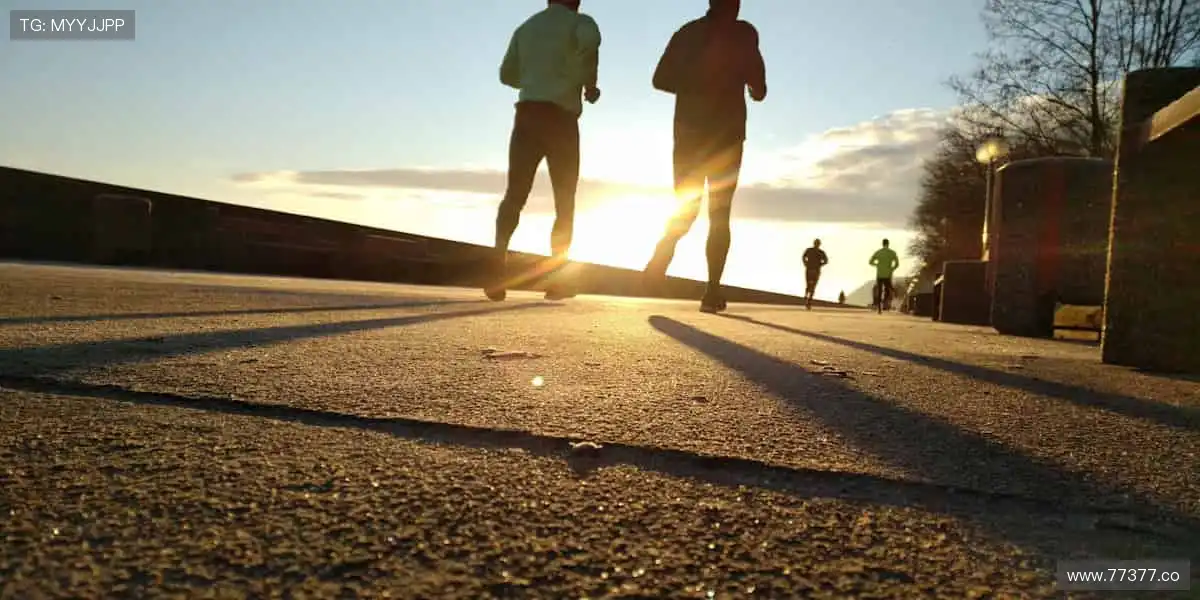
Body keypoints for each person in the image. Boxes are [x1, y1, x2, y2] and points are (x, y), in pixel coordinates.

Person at [642, 0, 767, 313]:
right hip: (727, 137)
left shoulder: (687, 33)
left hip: (689, 136)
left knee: (687, 206)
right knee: (719, 214)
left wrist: (694, 84)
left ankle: (664, 250)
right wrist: (746, 85)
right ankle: (712, 291)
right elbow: (760, 89)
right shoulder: (744, 34)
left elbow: (659, 79)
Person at [486, 0, 602, 302]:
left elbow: (506, 75)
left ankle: (496, 268)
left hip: (527, 114)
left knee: (515, 195)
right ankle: (558, 279)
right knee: (564, 201)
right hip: (561, 120)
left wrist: (535, 77)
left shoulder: (527, 27)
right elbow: (590, 43)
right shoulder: (581, 23)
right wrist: (588, 83)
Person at [869, 239, 900, 312]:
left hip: (879, 274)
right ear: (888, 244)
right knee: (888, 289)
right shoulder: (892, 253)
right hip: (888, 274)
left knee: (879, 290)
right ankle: (885, 302)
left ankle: (879, 307)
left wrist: (877, 265)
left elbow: (870, 262)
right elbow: (897, 264)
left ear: (882, 244)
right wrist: (892, 269)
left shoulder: (878, 252)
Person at [802, 238, 828, 310]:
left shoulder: (809, 250)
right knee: (812, 286)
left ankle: (807, 295)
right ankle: (809, 299)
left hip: (810, 269)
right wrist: (820, 264)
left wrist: (806, 263)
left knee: (809, 284)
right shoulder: (820, 252)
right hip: (815, 270)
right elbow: (826, 261)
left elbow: (803, 257)